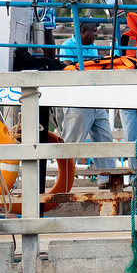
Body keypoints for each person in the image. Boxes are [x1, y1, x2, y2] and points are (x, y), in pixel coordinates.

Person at [57, 21, 116, 182]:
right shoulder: (68, 45)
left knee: (105, 138)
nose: (96, 34)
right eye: (94, 31)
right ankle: (63, 182)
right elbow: (67, 69)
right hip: (78, 99)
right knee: (73, 142)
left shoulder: (92, 46)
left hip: (95, 97)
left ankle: (107, 181)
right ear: (83, 31)